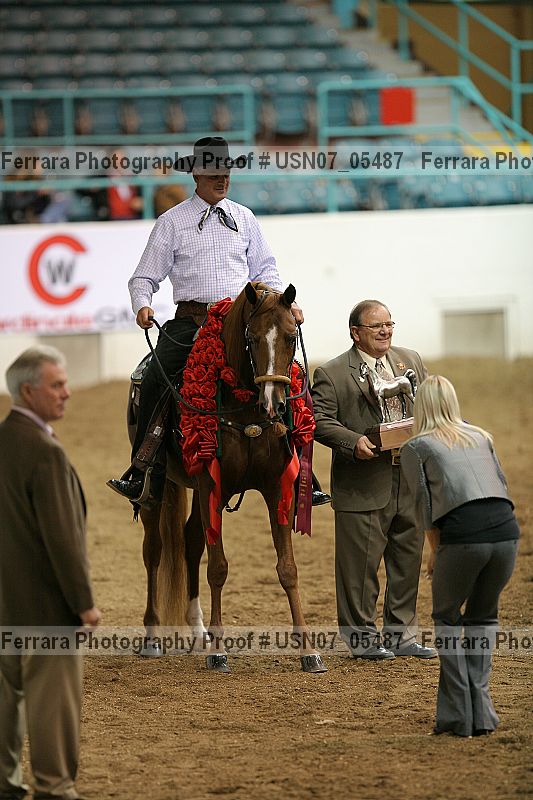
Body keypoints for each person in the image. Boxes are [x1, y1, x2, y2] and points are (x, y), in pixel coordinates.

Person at [107, 136, 330, 507]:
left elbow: (266, 269)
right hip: (191, 320)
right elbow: (143, 277)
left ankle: (302, 471)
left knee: (288, 375)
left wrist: (284, 305)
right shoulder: (171, 222)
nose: (222, 179)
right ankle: (145, 470)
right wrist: (142, 304)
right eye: (213, 173)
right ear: (196, 175)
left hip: (243, 320)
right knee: (157, 377)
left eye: (225, 172)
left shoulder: (245, 217)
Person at [0, 346, 101, 800]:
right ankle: (54, 788)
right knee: (52, 705)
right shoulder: (45, 452)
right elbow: (63, 539)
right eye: (56, 385)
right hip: (45, 610)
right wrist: (84, 604)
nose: (67, 393)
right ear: (27, 391)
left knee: (5, 703)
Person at [311, 299, 437, 660]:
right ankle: (362, 639)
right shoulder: (332, 372)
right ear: (356, 333)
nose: (385, 331)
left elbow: (428, 405)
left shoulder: (410, 360)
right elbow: (319, 419)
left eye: (389, 324)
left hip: (409, 477)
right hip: (362, 482)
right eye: (376, 326)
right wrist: (353, 441)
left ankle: (402, 636)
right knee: (358, 570)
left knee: (407, 561)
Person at [400, 375, 519, 737]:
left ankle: (457, 717)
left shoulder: (415, 447)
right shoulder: (482, 436)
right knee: (484, 617)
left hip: (464, 537)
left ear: (420, 406)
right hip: (506, 534)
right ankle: (483, 714)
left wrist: (436, 552)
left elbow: (424, 507)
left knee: (447, 619)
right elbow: (502, 485)